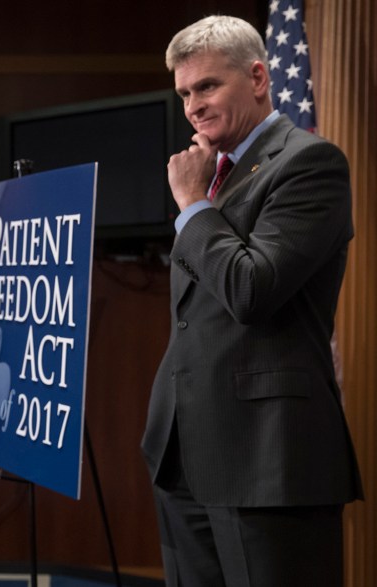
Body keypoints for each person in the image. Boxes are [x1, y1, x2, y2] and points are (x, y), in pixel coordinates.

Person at [141, 15, 363, 587]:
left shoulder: (309, 164)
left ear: (259, 77)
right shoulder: (215, 174)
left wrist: (192, 206)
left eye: (207, 86)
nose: (193, 105)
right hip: (183, 454)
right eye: (185, 92)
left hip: (268, 460)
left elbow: (250, 287)